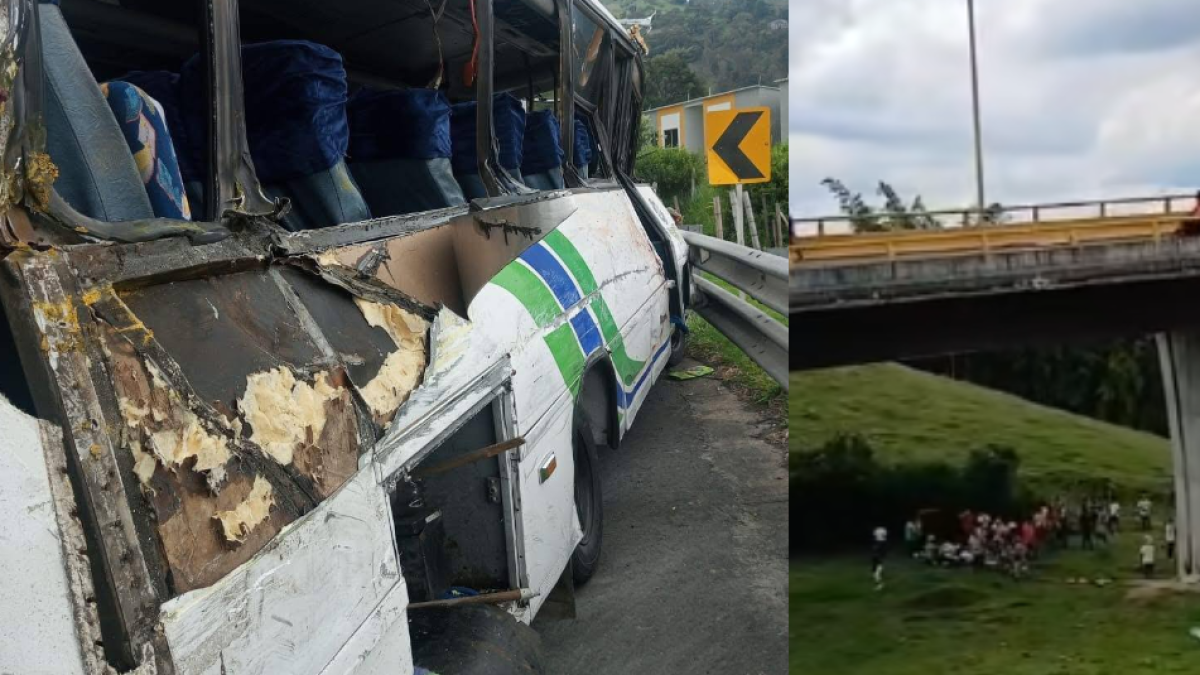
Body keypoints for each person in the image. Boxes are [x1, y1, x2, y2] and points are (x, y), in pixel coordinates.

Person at [871, 526, 888, 590]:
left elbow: (881, 553)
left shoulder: (881, 543)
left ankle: (880, 585)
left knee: (877, 574)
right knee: (875, 572)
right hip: (876, 559)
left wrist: (878, 558)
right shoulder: (879, 542)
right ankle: (879, 583)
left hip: (878, 560)